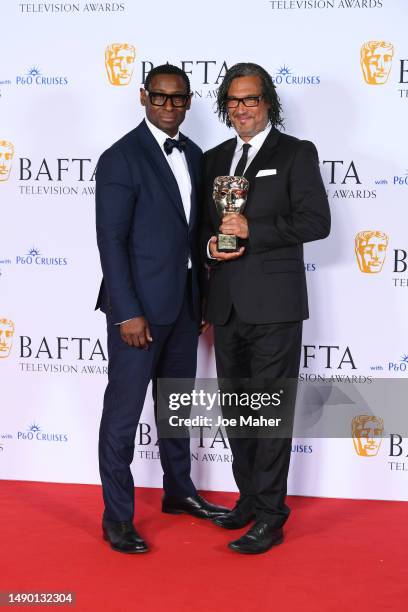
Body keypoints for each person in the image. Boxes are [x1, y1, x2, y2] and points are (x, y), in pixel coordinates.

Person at [95, 64, 228, 554]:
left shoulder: (194, 154)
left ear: (190, 101)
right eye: (160, 97)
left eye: (178, 99)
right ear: (143, 97)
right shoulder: (120, 158)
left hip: (185, 307)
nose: (169, 106)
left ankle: (179, 492)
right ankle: (117, 517)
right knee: (124, 415)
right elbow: (111, 241)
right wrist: (126, 312)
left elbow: (193, 234)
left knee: (175, 410)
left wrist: (204, 301)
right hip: (139, 314)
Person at [201, 62, 331, 554]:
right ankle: (250, 500)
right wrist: (212, 249)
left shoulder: (296, 153)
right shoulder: (214, 159)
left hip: (275, 306)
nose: (242, 109)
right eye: (233, 101)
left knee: (270, 413)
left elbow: (316, 221)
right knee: (238, 412)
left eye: (250, 99)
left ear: (268, 103)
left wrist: (258, 231)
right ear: (225, 106)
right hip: (226, 306)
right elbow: (200, 234)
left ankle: (273, 517)